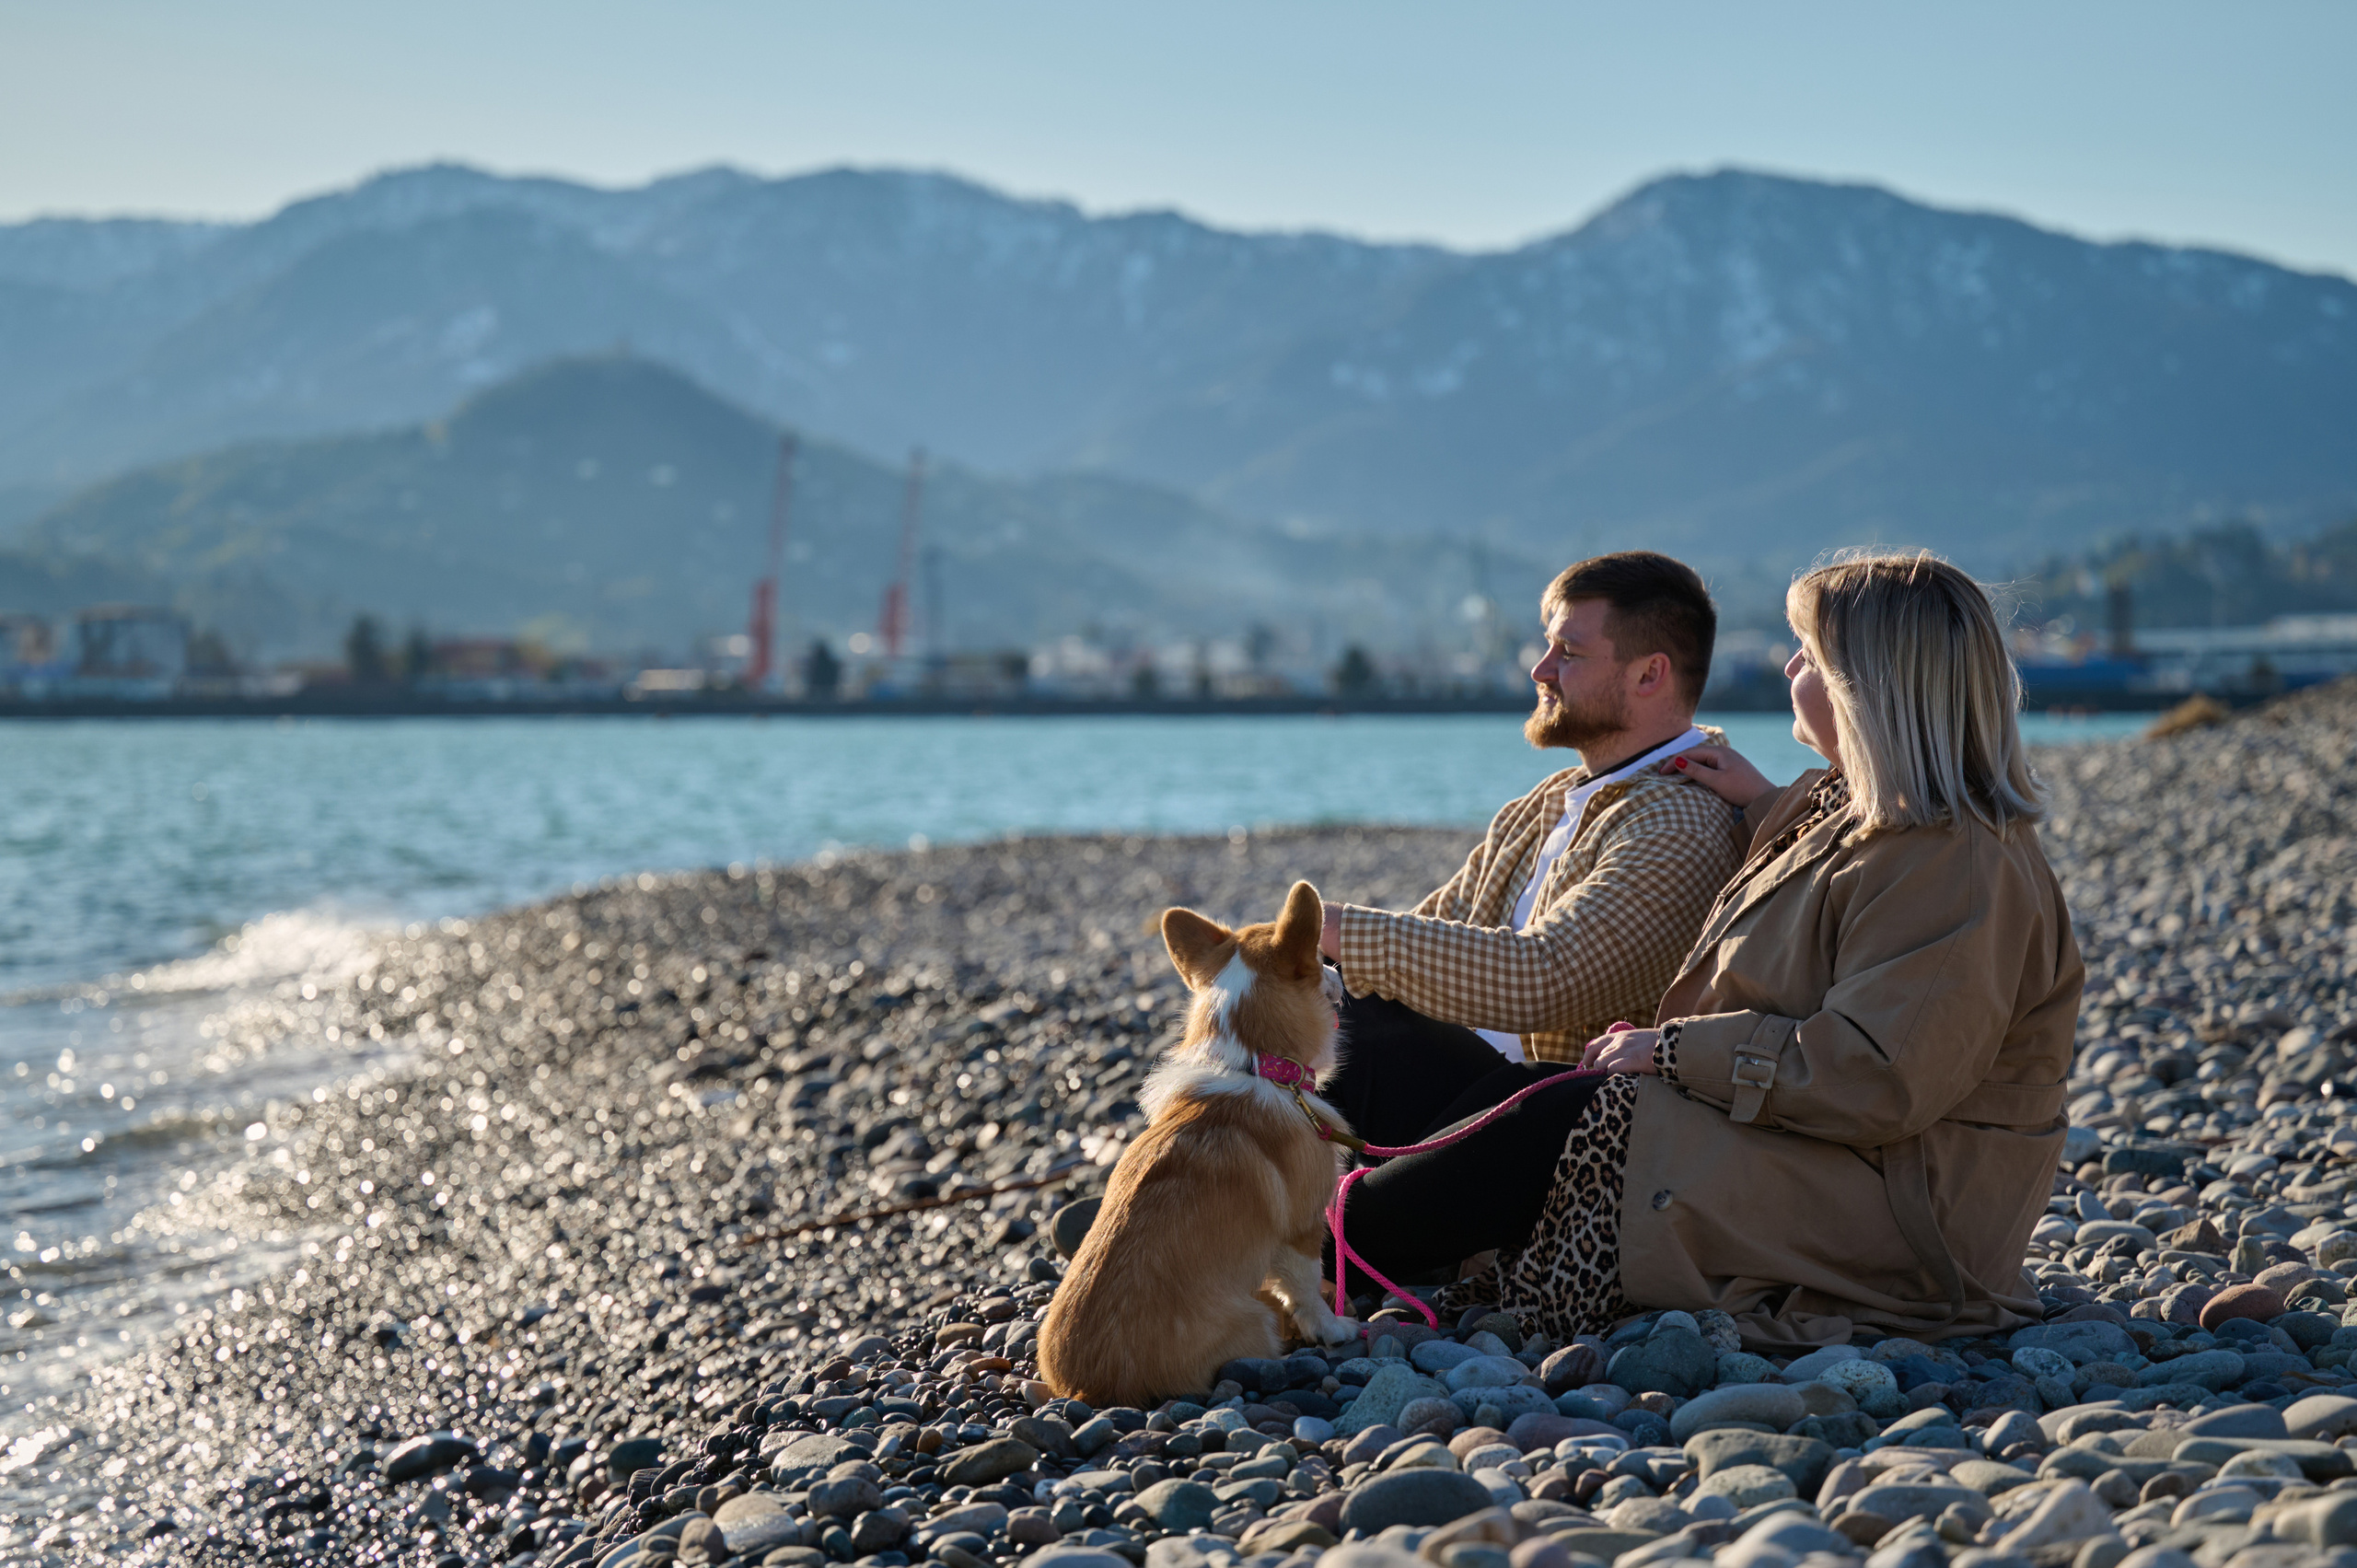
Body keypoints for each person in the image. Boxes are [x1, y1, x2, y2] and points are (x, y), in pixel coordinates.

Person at [1333, 550, 2083, 1346]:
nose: (1788, 665)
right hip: (1800, 1159)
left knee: (1561, 1110)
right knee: (1397, 1047)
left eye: (1810, 654)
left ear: (1871, 688)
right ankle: (1299, 1224)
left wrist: (1674, 1051)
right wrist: (1765, 805)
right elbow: (1836, 887)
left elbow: (1874, 1075)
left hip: (1895, 1225)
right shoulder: (1855, 816)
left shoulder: (1957, 864)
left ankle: (1304, 1248)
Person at [1315, 551, 1743, 1167]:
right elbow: (1430, 934)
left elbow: (1545, 978)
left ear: (1650, 675)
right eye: (1548, 646)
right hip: (1478, 1102)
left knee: (1353, 1020)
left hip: (1564, 1140)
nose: (1542, 669)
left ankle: (1295, 1239)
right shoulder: (1544, 804)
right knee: (1315, 1004)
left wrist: (1336, 929)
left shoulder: (1682, 820)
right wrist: (1320, 956)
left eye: (1568, 652)